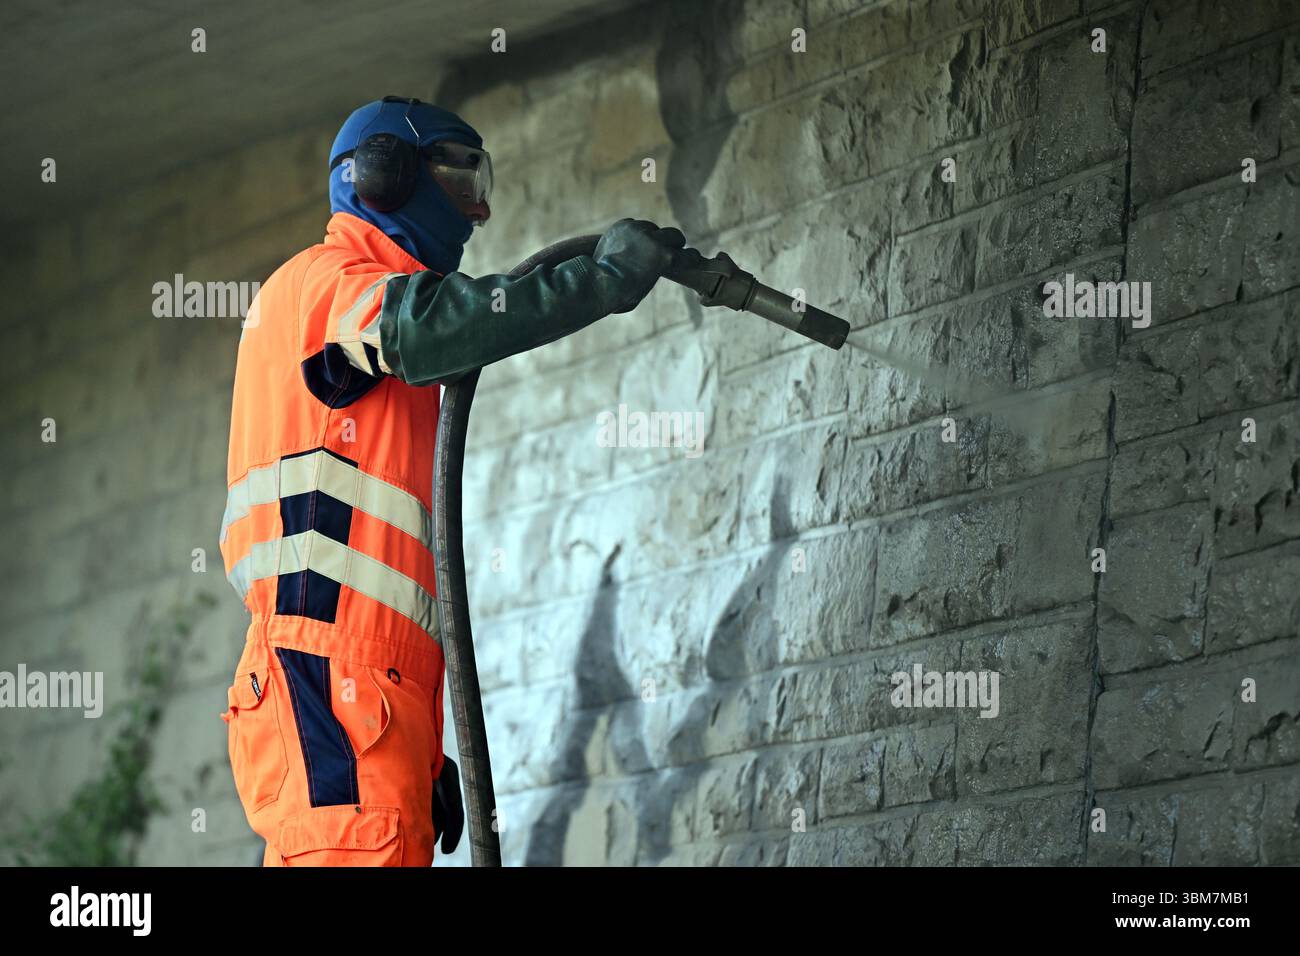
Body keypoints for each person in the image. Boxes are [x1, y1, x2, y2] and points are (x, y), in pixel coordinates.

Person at [218, 96, 684, 865]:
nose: (481, 209)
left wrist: (425, 754)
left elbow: (371, 560)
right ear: (385, 177)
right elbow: (428, 325)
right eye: (462, 183)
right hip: (332, 683)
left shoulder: (349, 312)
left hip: (364, 692)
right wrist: (599, 284)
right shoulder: (328, 283)